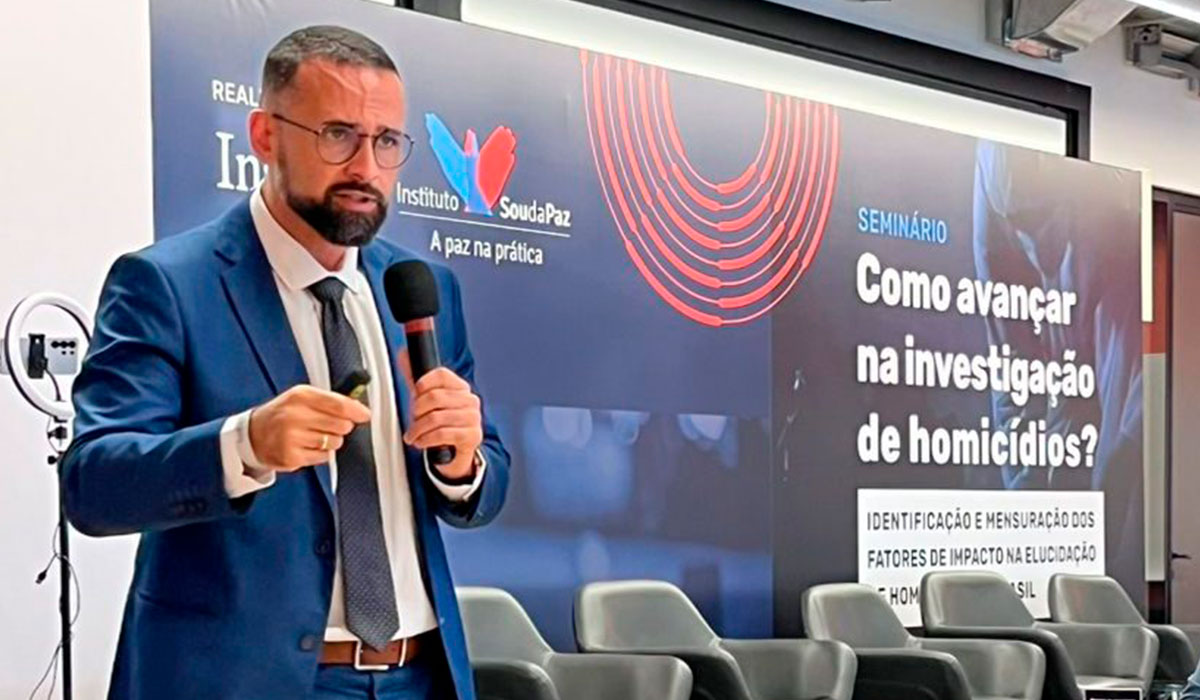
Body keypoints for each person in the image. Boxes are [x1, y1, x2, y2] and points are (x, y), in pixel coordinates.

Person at [60, 25, 509, 700]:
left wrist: (461, 464)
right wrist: (244, 445)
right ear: (265, 136)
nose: (366, 167)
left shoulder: (422, 289)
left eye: (387, 141)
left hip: (418, 676)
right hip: (243, 682)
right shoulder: (168, 284)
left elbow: (484, 485)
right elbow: (94, 486)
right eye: (338, 135)